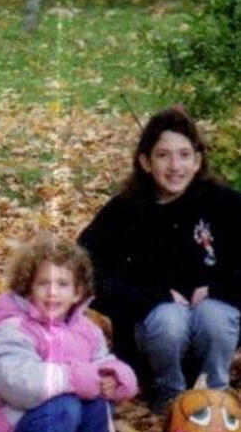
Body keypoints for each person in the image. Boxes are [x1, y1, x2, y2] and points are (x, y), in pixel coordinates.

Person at [78, 107, 241, 414]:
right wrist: (151, 297)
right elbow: (85, 270)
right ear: (145, 162)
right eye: (163, 155)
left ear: (197, 160)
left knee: (214, 315)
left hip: (214, 327)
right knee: (169, 319)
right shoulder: (125, 211)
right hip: (153, 337)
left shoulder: (225, 204)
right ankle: (168, 397)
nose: (175, 165)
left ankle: (217, 394)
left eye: (184, 155)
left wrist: (218, 288)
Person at [0, 236, 137, 432]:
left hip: (59, 422)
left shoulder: (87, 330)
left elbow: (103, 360)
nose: (52, 292)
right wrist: (76, 379)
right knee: (65, 405)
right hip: (13, 425)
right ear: (28, 289)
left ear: (77, 293)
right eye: (43, 283)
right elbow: (20, 384)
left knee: (98, 404)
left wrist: (114, 377)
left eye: (63, 285)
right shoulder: (13, 327)